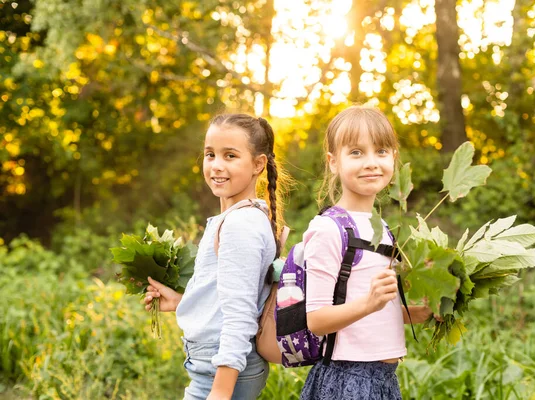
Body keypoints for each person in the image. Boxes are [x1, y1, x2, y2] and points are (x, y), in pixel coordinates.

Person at [144, 114, 288, 400]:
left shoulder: (239, 225)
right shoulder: (245, 217)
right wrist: (182, 302)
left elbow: (240, 316)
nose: (216, 165)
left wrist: (221, 392)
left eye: (230, 155)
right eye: (210, 154)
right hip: (218, 368)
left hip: (222, 373)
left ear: (258, 164)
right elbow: (234, 297)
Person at [300, 106, 433, 400]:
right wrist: (370, 302)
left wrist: (414, 314)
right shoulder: (329, 229)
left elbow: (373, 312)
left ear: (394, 159)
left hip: (383, 380)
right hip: (346, 380)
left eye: (382, 151)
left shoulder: (383, 227)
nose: (371, 163)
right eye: (357, 152)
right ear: (333, 162)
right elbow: (318, 319)